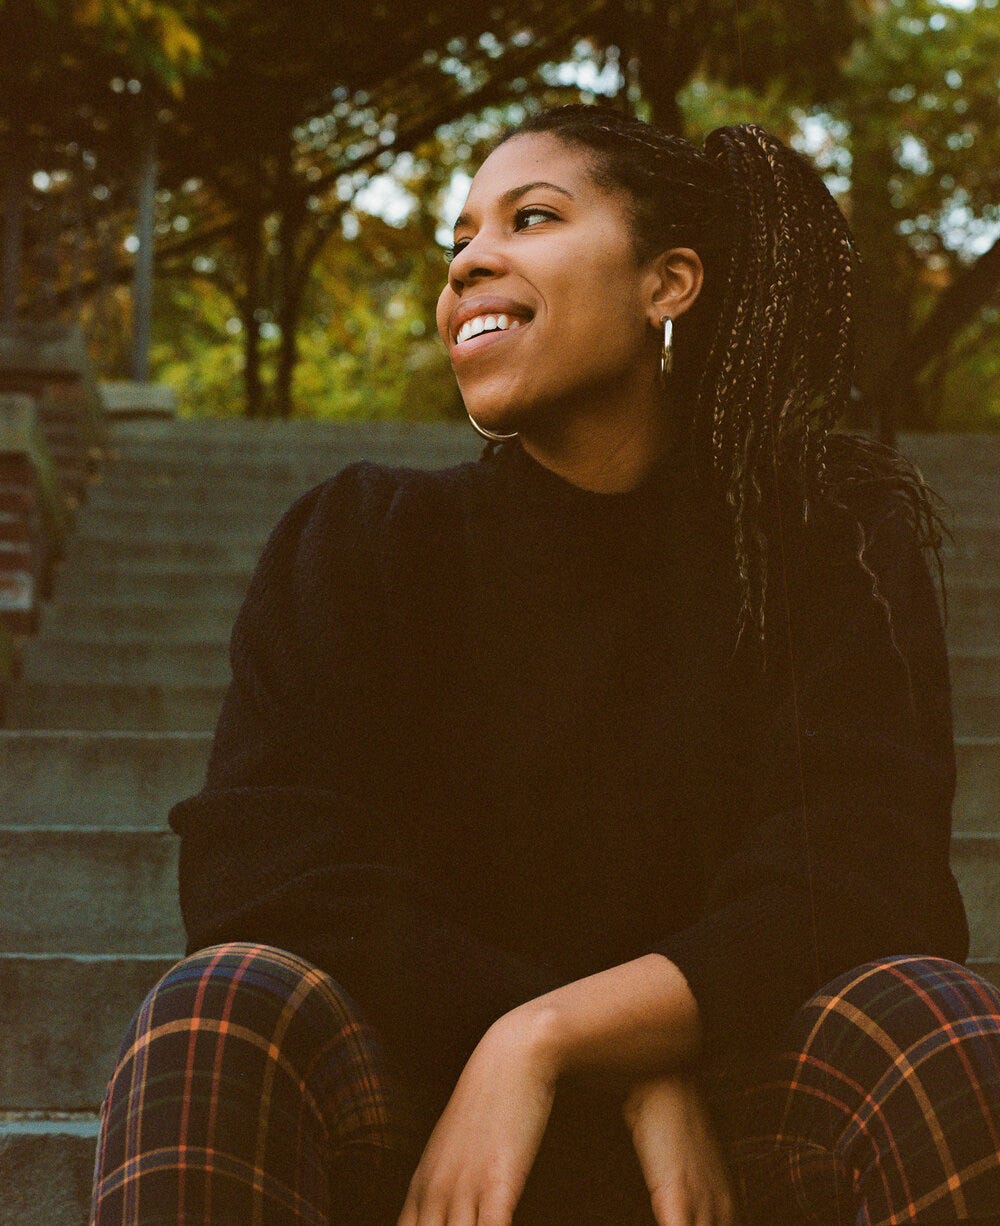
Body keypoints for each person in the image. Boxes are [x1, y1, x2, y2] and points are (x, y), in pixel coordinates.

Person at [91, 105, 1000, 1225]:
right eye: (458, 239)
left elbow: (863, 877)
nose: (470, 258)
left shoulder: (826, 538)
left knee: (931, 1015)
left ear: (667, 282)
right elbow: (267, 872)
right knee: (216, 1005)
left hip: (741, 1116)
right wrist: (583, 1056)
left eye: (530, 216)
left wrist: (557, 1035)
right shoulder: (366, 539)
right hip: (428, 1110)